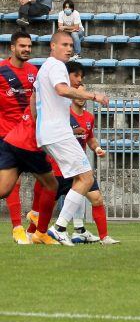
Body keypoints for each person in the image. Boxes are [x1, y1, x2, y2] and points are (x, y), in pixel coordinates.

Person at [32, 31, 109, 246]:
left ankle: (73, 228)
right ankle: (59, 228)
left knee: (78, 179)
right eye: (64, 44)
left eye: (71, 45)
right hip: (58, 132)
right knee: (85, 178)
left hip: (48, 133)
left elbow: (34, 99)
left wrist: (36, 127)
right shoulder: (56, 66)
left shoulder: (43, 68)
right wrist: (94, 95)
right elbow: (62, 90)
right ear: (52, 46)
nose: (69, 48)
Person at [0, 32, 39, 244]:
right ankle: (17, 228)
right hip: (6, 135)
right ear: (12, 48)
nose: (26, 49)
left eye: (29, 46)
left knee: (48, 177)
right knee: (11, 183)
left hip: (30, 135)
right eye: (22, 45)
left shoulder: (34, 72)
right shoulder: (2, 71)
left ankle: (34, 228)